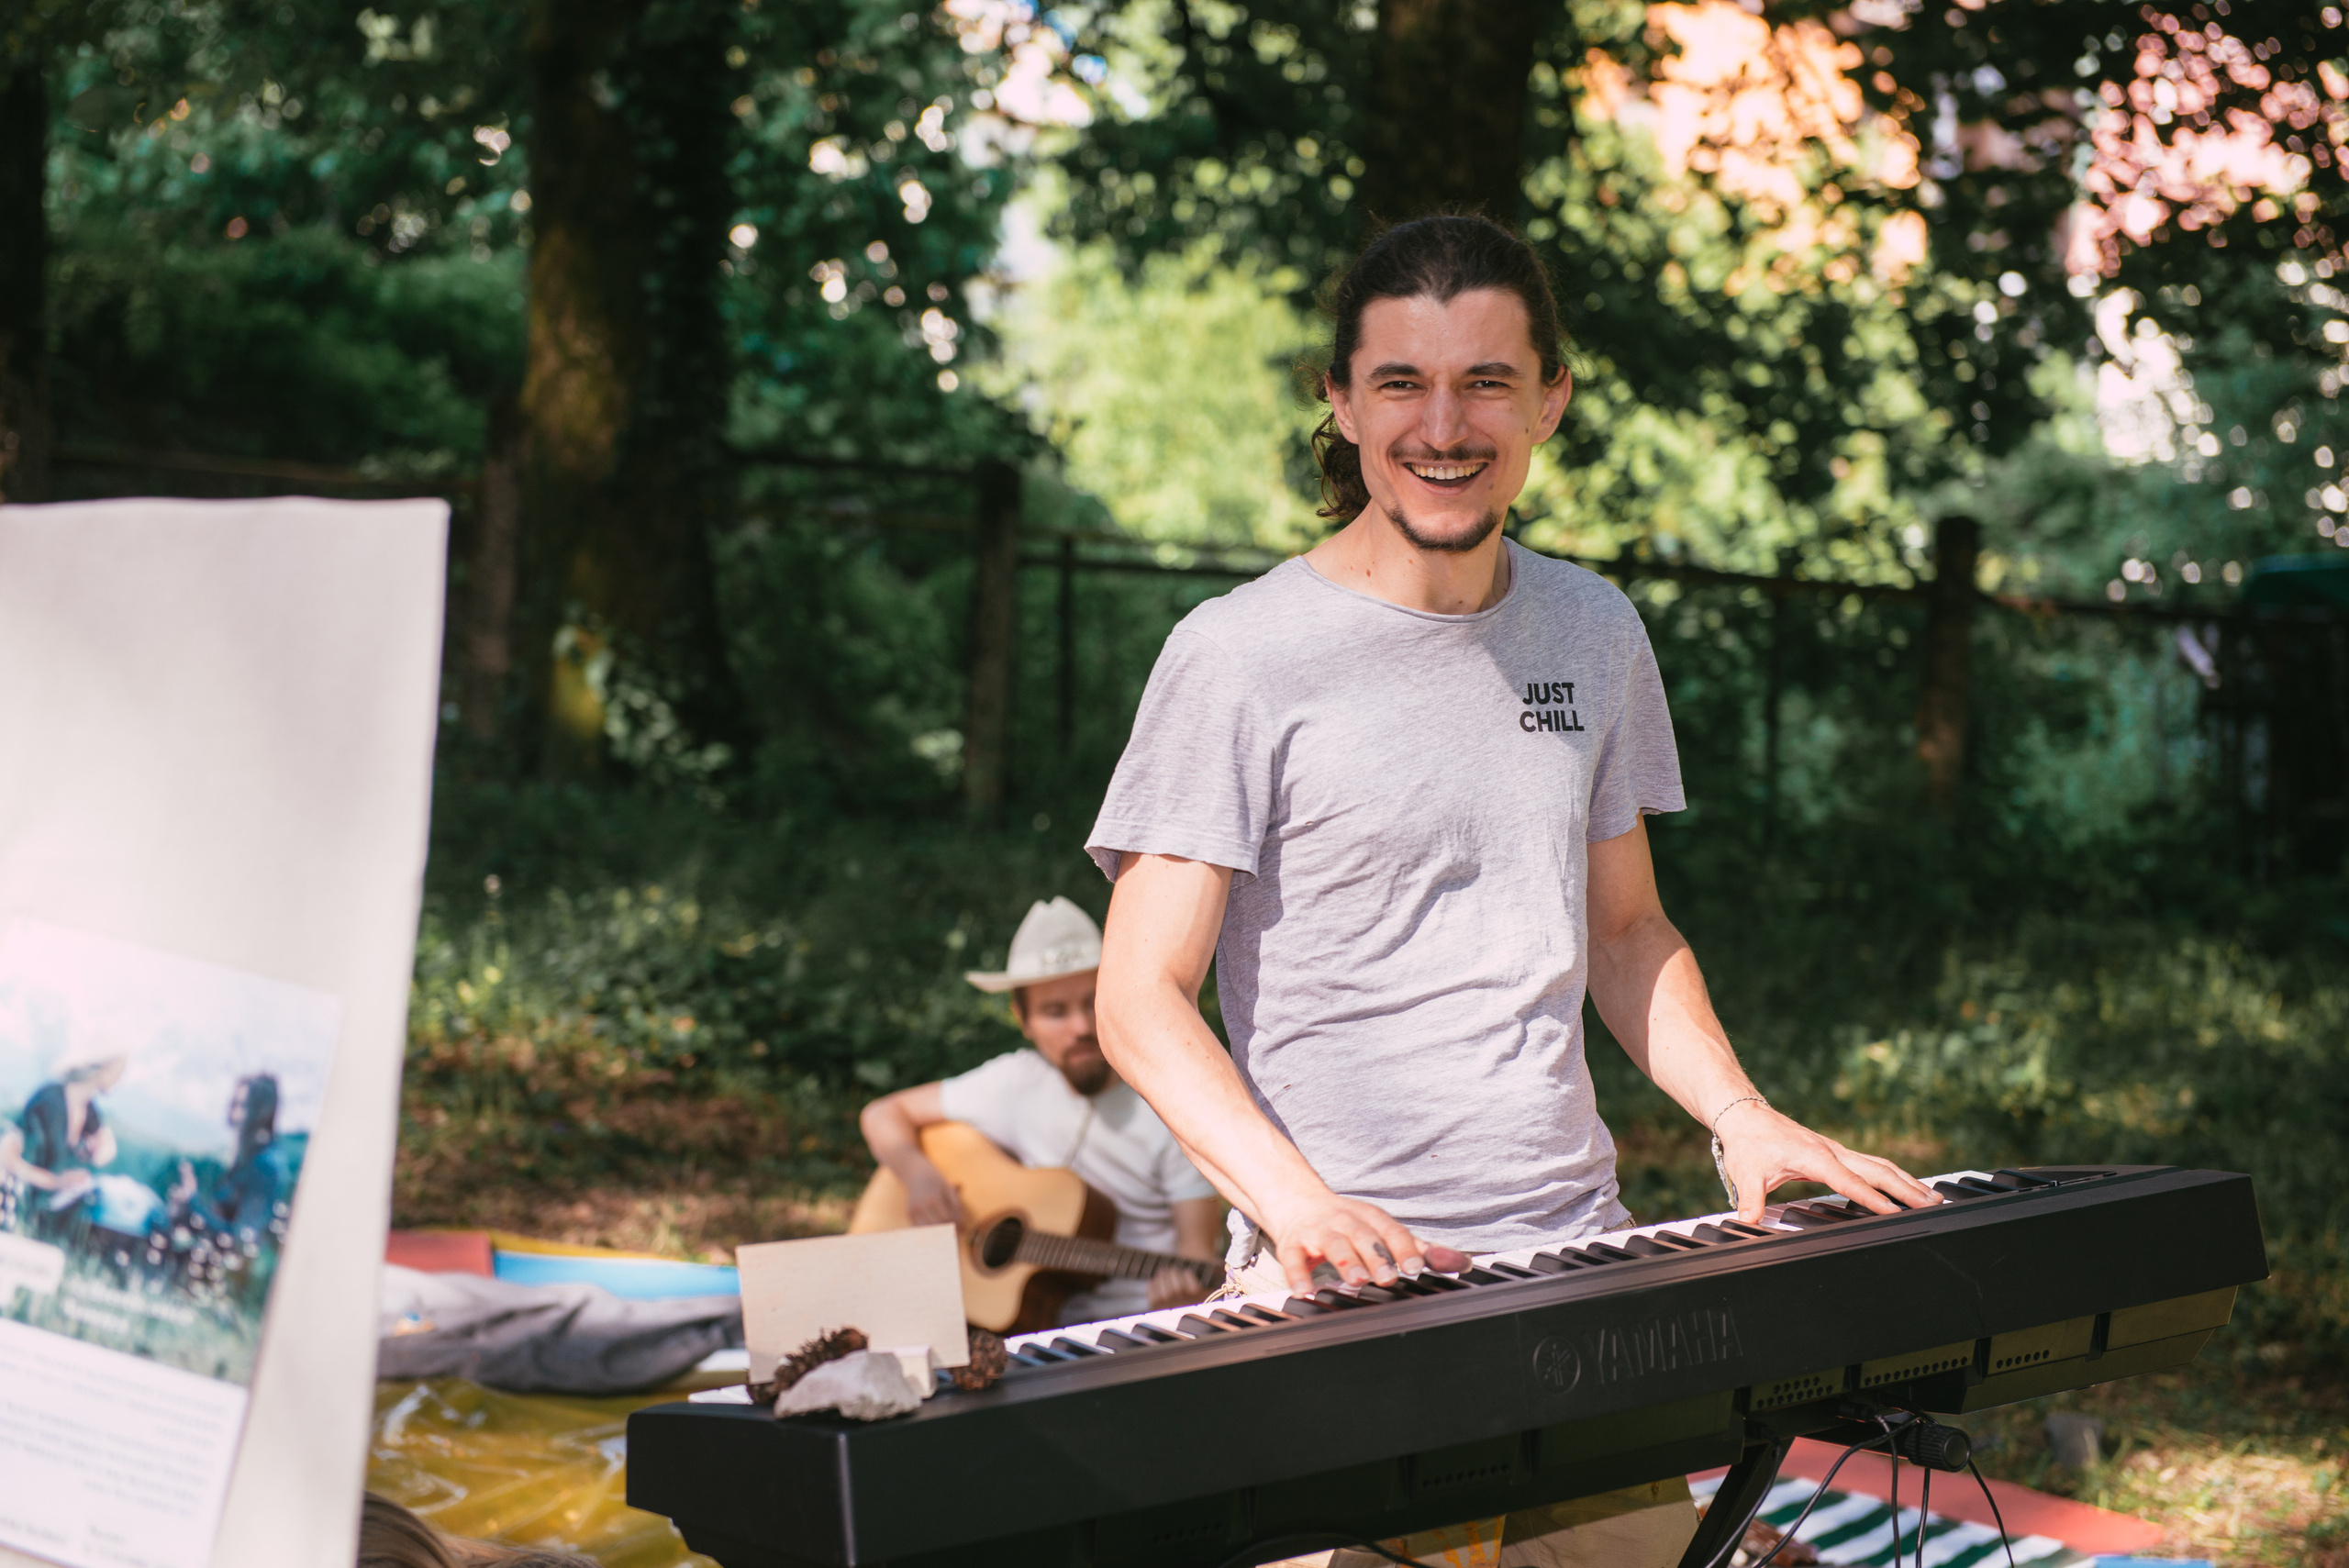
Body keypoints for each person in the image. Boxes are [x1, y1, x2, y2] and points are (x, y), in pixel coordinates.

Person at [1085, 215, 1939, 1568]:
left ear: (1549, 398)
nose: (1445, 423)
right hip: (1333, 1301)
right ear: (1341, 400)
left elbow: (1625, 929)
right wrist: (1297, 1205)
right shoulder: (1237, 656)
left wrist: (1742, 1114)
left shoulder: (1594, 631)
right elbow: (1136, 998)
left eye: (1486, 380)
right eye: (1402, 383)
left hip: (1576, 1284)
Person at [859, 896, 1222, 1323]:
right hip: (1037, 1327)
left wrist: (1186, 1296)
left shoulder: (1169, 1105)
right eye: (1055, 1012)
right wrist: (919, 1175)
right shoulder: (1017, 1083)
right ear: (1023, 1020)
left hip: (1141, 1325)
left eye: (1092, 1003)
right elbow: (882, 1113)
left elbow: (1199, 1258)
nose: (1081, 1028)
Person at [0, 1044, 128, 1237]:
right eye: (119, 1070)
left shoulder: (88, 1109)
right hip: (9, 1195)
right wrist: (57, 1182)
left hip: (33, 1205)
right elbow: (9, 1158)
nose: (120, 1079)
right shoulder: (50, 1099)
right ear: (103, 1066)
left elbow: (107, 1149)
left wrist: (90, 1153)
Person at [169, 1072, 295, 1250]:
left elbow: (242, 1240)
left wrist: (193, 1205)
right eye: (234, 1105)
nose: (234, 1116)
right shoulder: (251, 1158)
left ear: (263, 1112)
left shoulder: (266, 1166)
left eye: (243, 1106)